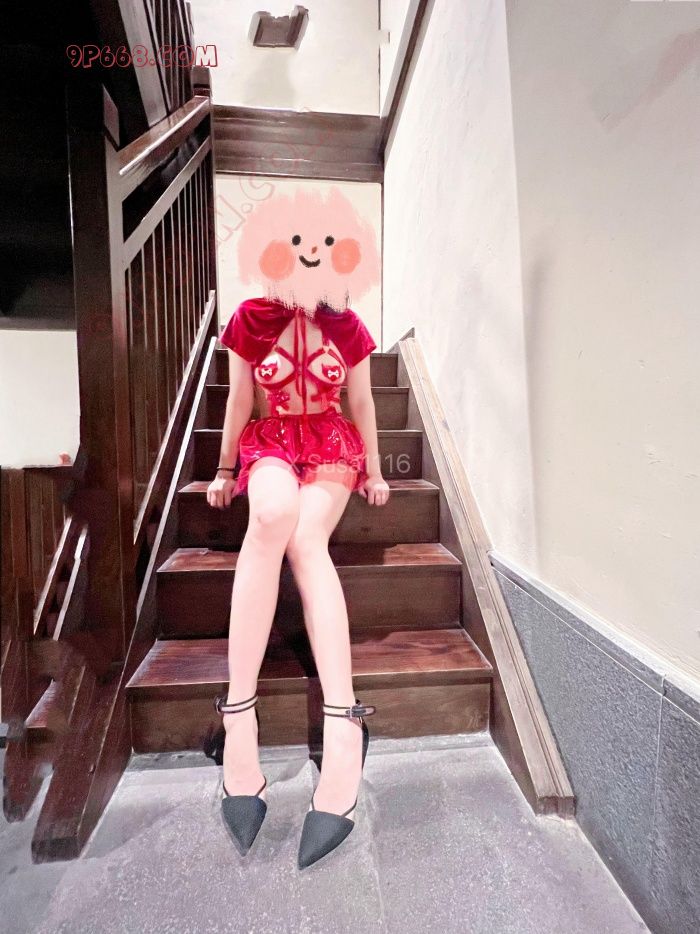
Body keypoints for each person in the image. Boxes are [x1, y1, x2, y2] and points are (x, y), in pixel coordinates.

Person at [206, 188, 389, 868]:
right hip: (272, 442)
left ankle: (343, 725)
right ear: (272, 249)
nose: (311, 252)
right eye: (297, 241)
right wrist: (225, 468)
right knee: (272, 514)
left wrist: (374, 471)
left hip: (333, 444)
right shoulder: (249, 320)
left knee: (308, 538)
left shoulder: (351, 327)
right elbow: (240, 399)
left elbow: (363, 401)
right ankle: (238, 715)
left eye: (325, 243)